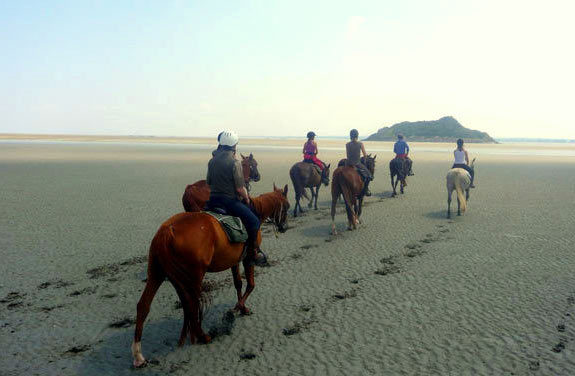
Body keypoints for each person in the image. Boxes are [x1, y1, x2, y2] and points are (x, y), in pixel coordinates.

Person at [205, 130, 264, 264]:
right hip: (229, 201)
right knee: (254, 222)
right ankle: (252, 253)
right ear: (234, 145)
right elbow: (239, 188)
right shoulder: (234, 162)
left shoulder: (212, 161)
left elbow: (208, 182)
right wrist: (247, 197)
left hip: (212, 200)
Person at [346, 129, 373, 196]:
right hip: (357, 163)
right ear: (357, 135)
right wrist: (364, 160)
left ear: (350, 136)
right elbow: (365, 155)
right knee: (369, 176)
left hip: (348, 163)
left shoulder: (347, 144)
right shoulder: (360, 144)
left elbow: (348, 155)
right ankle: (365, 190)